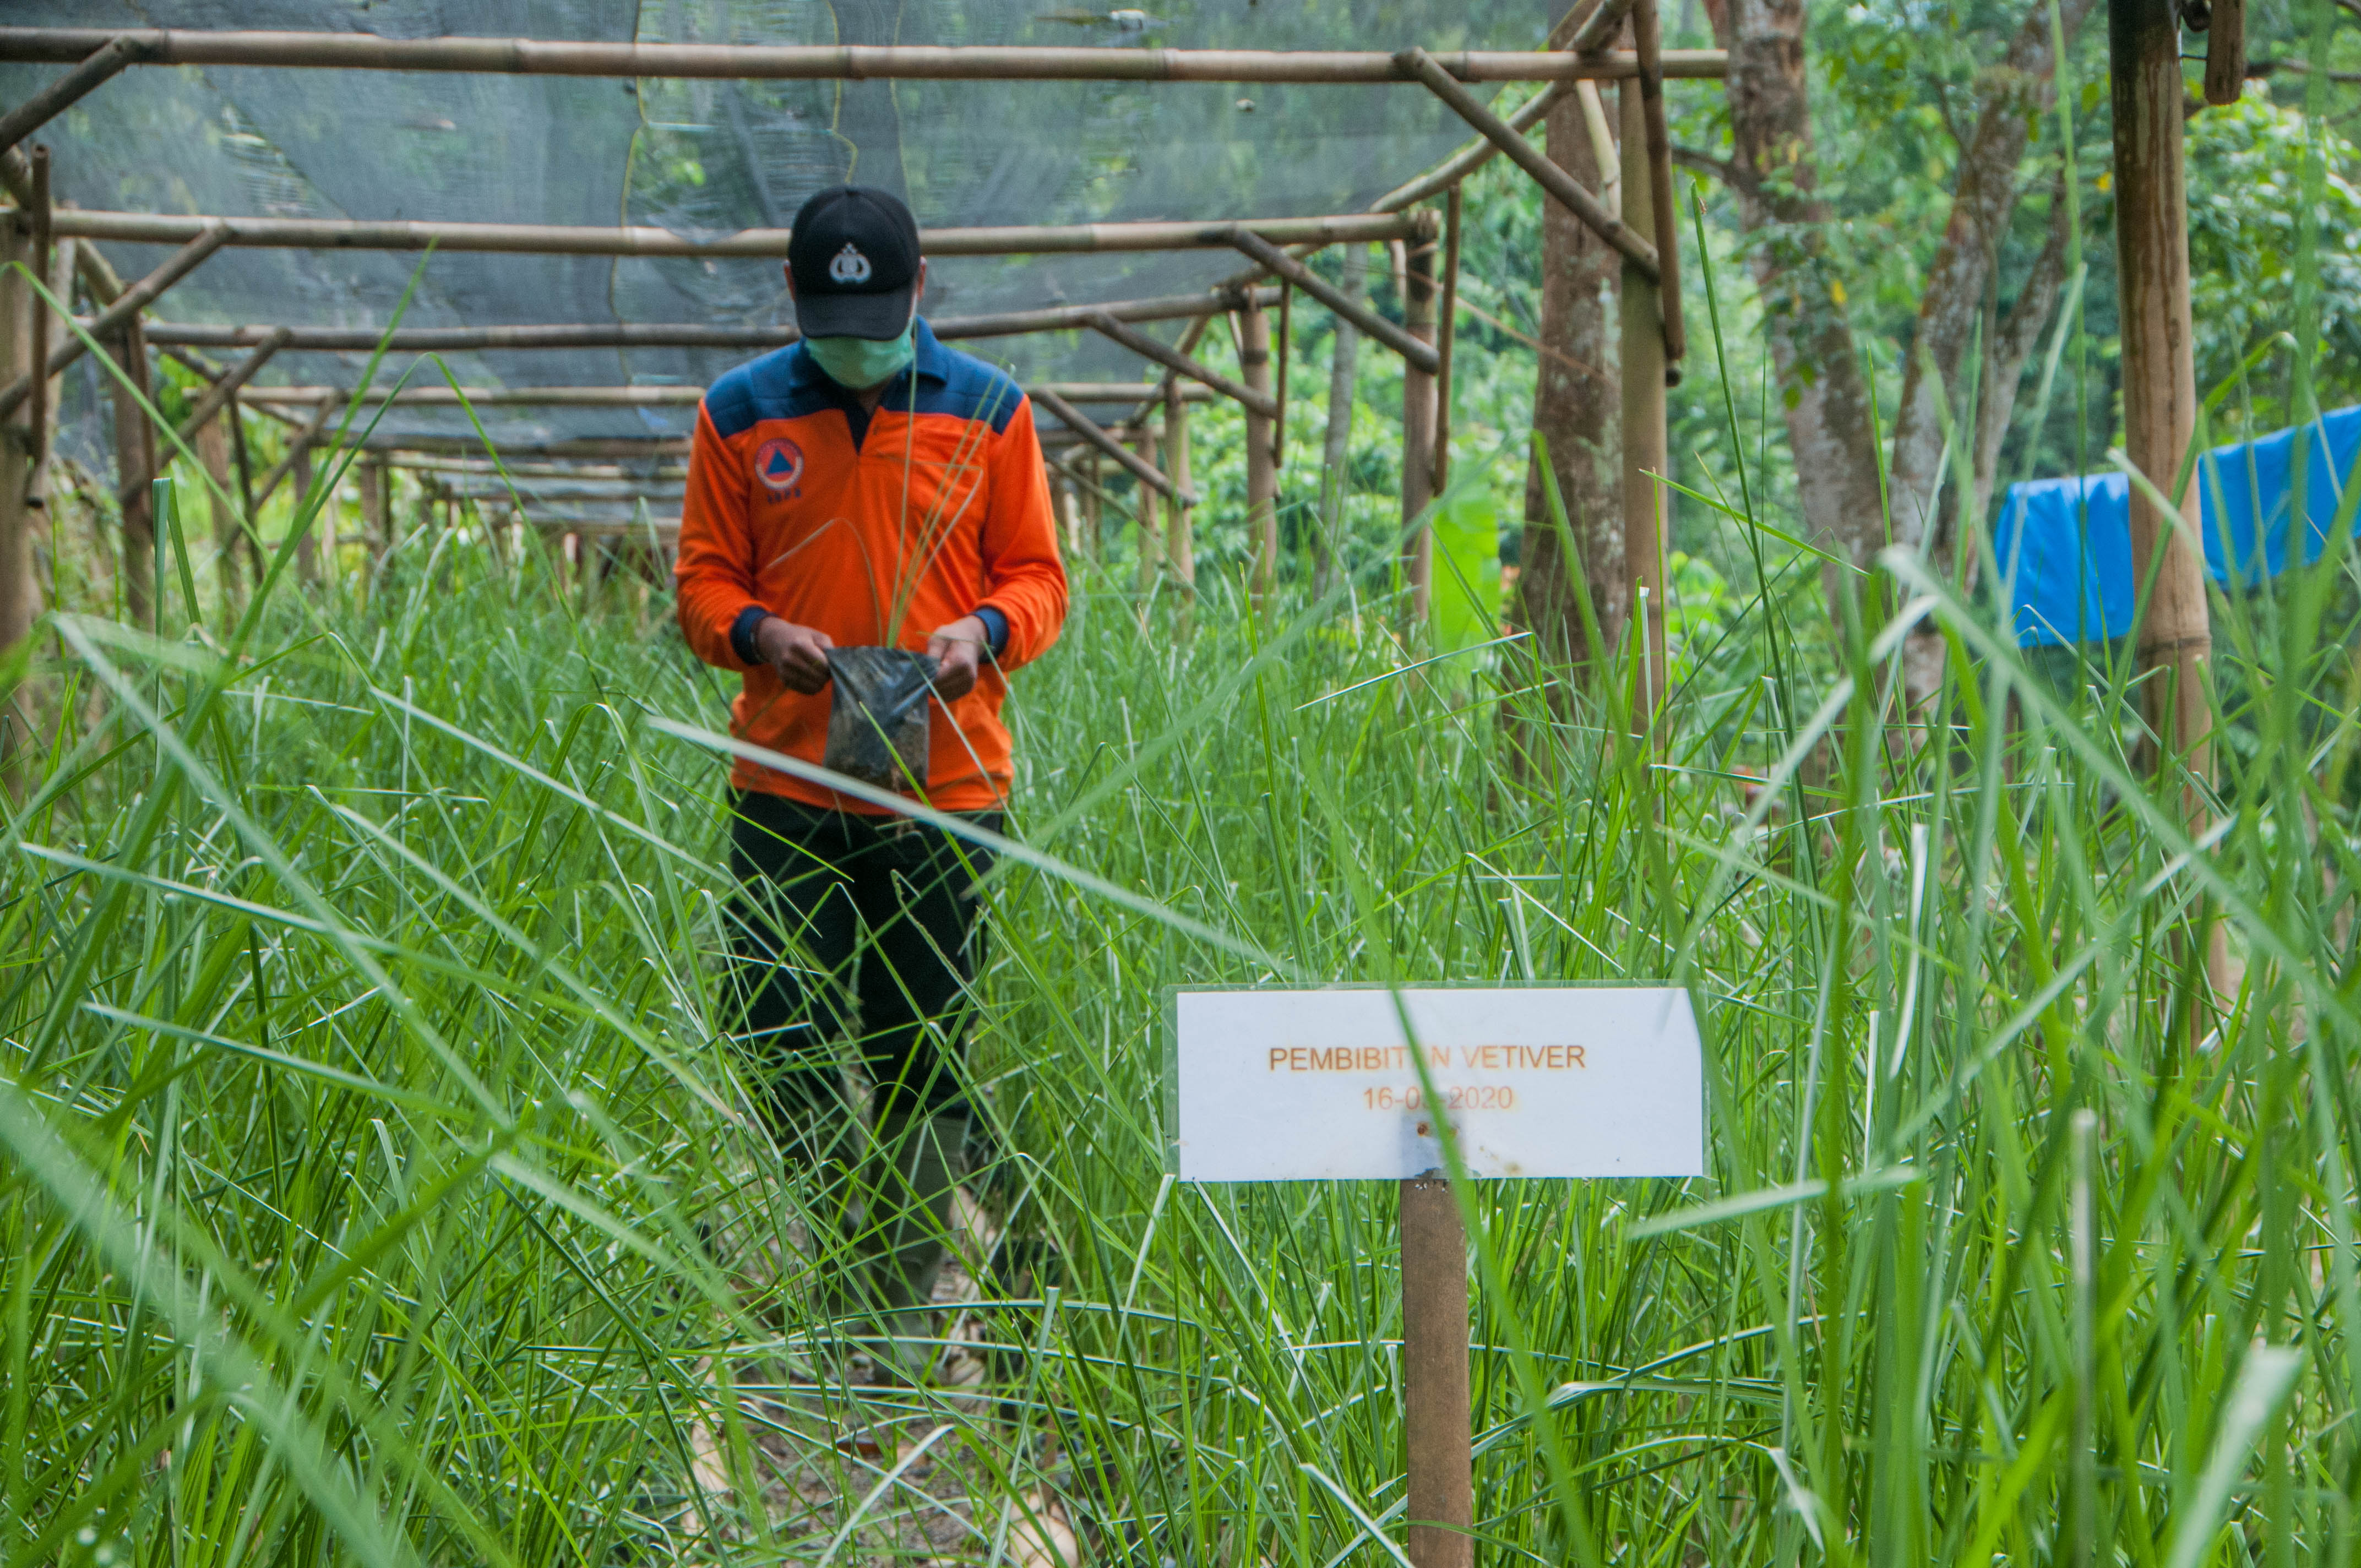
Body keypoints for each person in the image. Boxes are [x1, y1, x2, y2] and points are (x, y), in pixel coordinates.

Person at [673, 184, 1068, 1382]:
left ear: (920, 293)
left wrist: (982, 634)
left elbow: (1042, 580)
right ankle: (853, 1211)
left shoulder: (989, 413)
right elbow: (696, 584)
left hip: (945, 789)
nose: (858, 348)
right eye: (835, 323)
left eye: (879, 321)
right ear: (792, 298)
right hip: (788, 782)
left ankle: (883, 1306)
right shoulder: (736, 415)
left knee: (918, 1044)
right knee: (772, 1019)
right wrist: (755, 633)